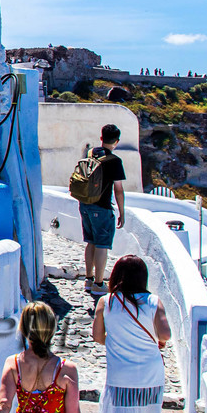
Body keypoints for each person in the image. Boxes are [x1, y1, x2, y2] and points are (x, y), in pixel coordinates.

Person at [92, 254, 171, 413]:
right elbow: (165, 335)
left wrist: (118, 340)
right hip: (149, 371)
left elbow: (98, 336)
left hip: (120, 372)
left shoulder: (107, 302)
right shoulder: (154, 301)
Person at [79, 124, 127, 289]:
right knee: (102, 245)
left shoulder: (91, 154)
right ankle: (99, 284)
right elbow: (118, 190)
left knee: (90, 242)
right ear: (117, 141)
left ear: (101, 138)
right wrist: (121, 211)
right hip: (101, 206)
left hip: (84, 204)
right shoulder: (115, 161)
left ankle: (88, 279)